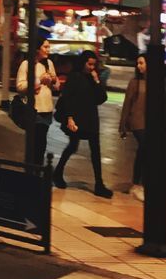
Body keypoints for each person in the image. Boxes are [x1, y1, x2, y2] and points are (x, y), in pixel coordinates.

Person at [53, 51, 112, 198]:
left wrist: (97, 81)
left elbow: (101, 98)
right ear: (83, 63)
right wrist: (70, 118)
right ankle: (58, 172)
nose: (91, 67)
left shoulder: (92, 78)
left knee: (95, 151)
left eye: (94, 64)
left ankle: (99, 183)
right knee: (73, 146)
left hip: (91, 119)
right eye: (89, 64)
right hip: (78, 119)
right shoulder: (74, 77)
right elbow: (67, 98)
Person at [16, 38, 58, 167]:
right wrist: (39, 81)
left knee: (42, 143)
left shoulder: (49, 63)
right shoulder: (26, 64)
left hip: (47, 110)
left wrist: (53, 80)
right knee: (33, 144)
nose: (48, 50)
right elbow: (20, 86)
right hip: (34, 110)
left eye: (49, 47)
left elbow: (56, 86)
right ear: (37, 49)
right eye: (45, 47)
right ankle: (30, 171)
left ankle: (38, 170)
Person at [119, 54, 147, 201]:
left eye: (142, 63)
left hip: (149, 122)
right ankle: (137, 184)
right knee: (144, 146)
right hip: (136, 121)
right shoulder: (134, 82)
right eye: (138, 63)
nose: (139, 66)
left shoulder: (156, 82)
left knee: (145, 152)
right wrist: (123, 125)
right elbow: (127, 104)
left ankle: (140, 182)